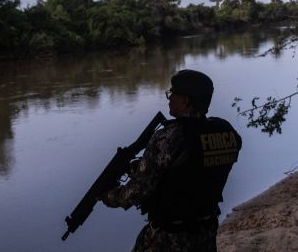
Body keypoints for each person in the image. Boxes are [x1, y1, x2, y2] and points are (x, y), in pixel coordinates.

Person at [100, 69, 241, 252]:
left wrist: (110, 196)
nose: (169, 98)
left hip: (169, 238)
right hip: (205, 233)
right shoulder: (227, 132)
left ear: (185, 100)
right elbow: (194, 170)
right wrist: (142, 168)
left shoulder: (169, 136)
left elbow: (136, 192)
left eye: (172, 93)